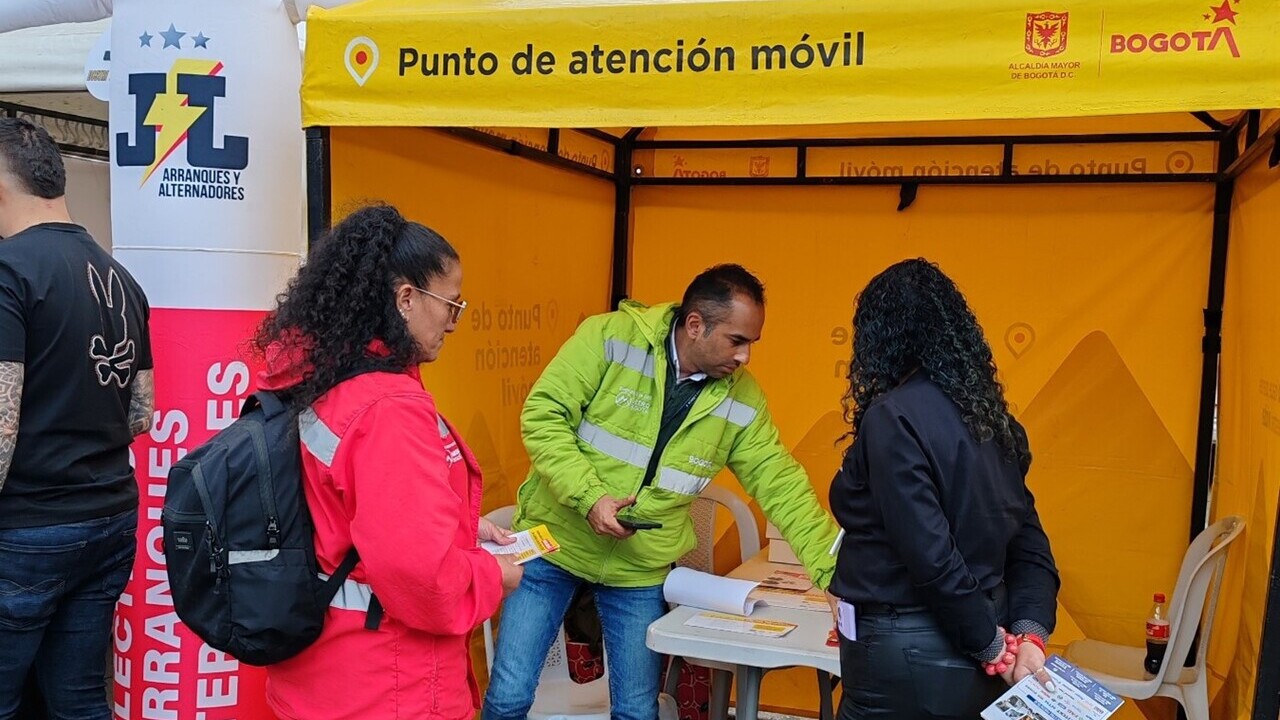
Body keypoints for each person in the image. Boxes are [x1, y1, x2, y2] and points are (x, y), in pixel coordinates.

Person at [484, 263, 841, 720]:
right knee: (509, 698)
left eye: (752, 343)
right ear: (695, 325)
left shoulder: (743, 399)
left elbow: (782, 486)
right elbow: (543, 415)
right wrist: (590, 497)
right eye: (737, 340)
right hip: (554, 544)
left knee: (637, 710)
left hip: (639, 569)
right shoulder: (609, 337)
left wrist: (831, 573)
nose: (746, 357)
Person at [255, 205, 523, 720]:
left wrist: (462, 528)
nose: (453, 320)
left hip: (322, 675)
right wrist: (492, 575)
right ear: (406, 299)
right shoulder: (388, 410)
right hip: (389, 685)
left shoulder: (320, 378)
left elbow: (344, 514)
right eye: (451, 303)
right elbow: (425, 582)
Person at [827, 258, 1060, 720]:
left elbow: (931, 556)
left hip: (908, 648)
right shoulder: (995, 421)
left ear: (881, 339)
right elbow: (1031, 545)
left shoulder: (892, 417)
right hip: (975, 636)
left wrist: (993, 645)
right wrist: (1027, 636)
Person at [0, 116, 155, 720]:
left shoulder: (9, 273)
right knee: (80, 699)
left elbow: (1, 427)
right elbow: (142, 412)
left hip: (28, 528)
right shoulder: (123, 279)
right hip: (110, 517)